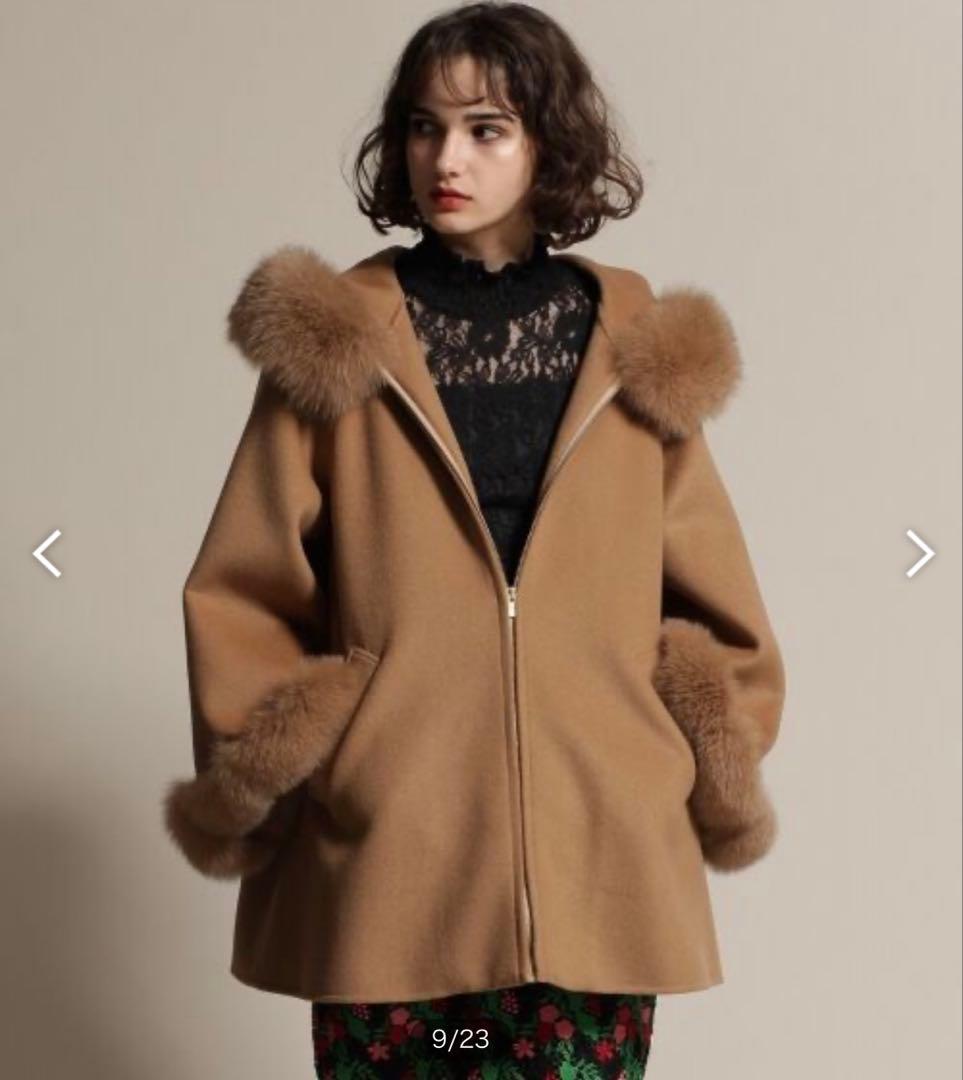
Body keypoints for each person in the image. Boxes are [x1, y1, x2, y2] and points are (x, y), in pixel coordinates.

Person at [162, 4, 787, 1078]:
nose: (446, 158)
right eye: (424, 126)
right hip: (387, 857)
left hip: (600, 860)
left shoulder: (636, 352)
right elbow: (241, 591)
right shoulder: (333, 343)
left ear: (549, 142)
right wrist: (326, 750)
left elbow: (721, 612)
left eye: (486, 128)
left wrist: (660, 758)